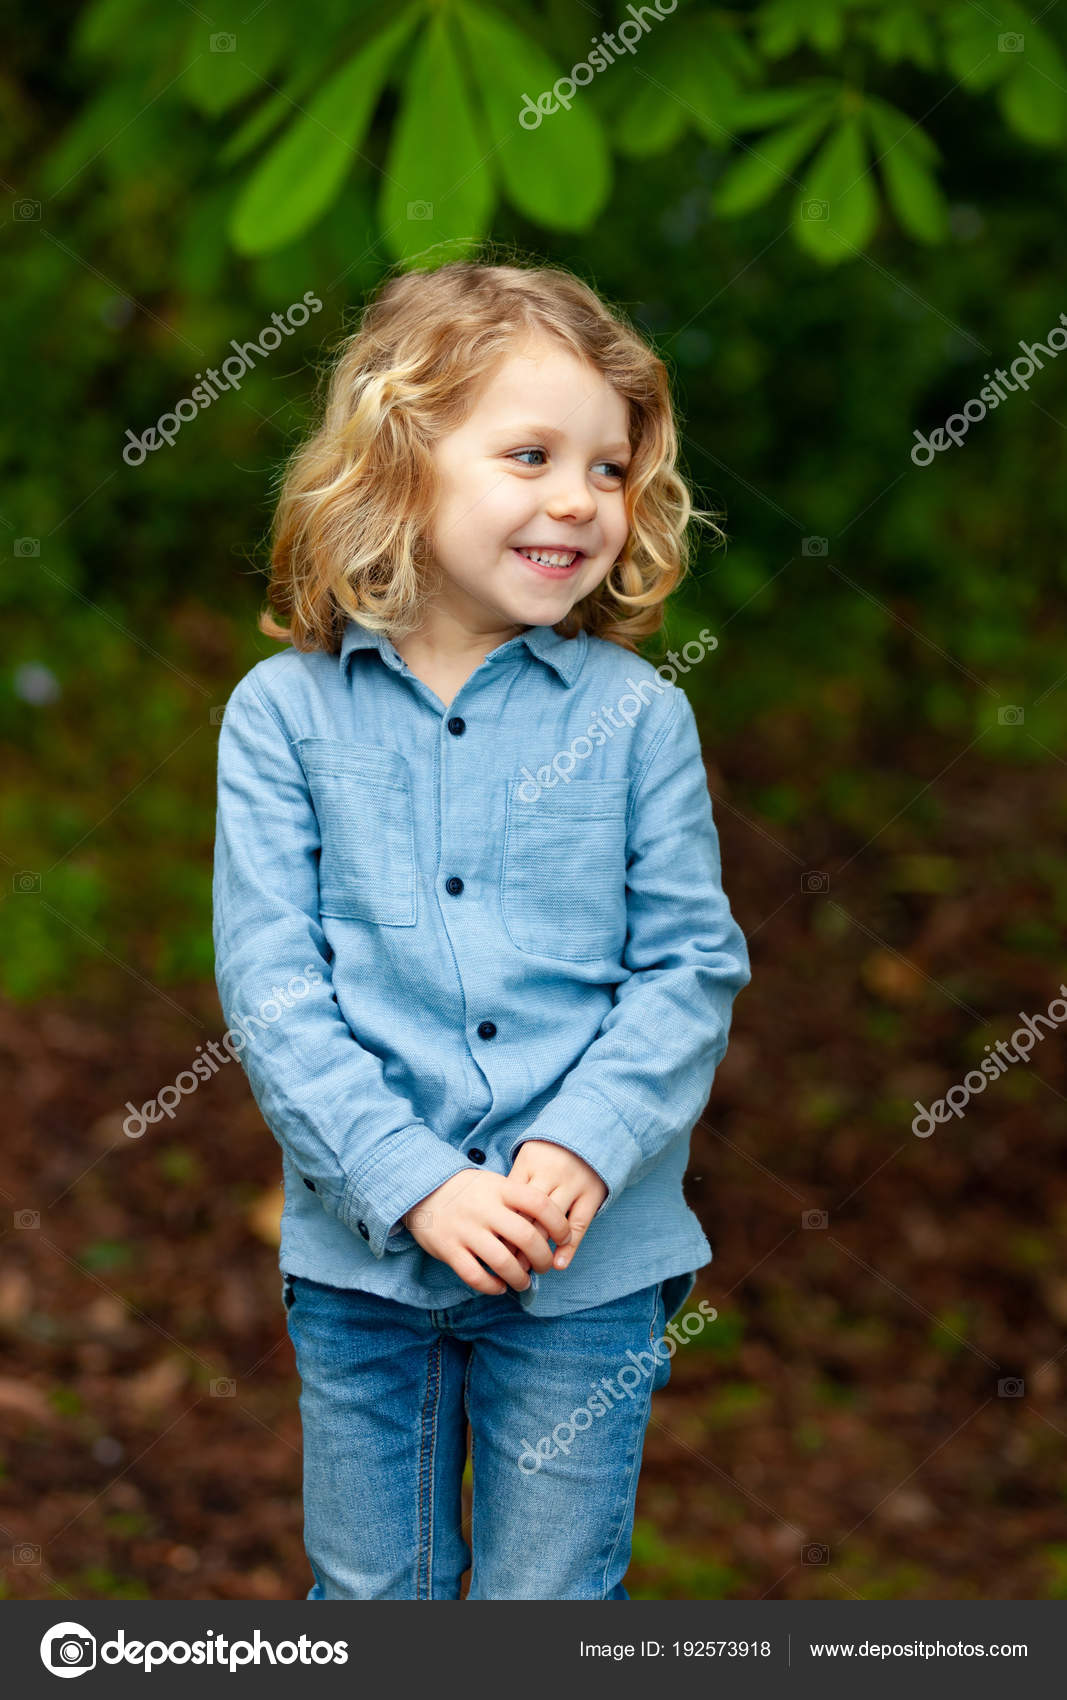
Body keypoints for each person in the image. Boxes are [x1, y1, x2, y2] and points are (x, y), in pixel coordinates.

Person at [211, 256, 751, 1600]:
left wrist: (583, 1141)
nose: (579, 498)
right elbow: (274, 990)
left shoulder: (637, 719)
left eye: (609, 469)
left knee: (546, 1609)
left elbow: (689, 966)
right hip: (364, 1270)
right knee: (373, 1601)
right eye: (531, 455)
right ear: (399, 463)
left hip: (585, 1272)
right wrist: (413, 1179)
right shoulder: (283, 718)